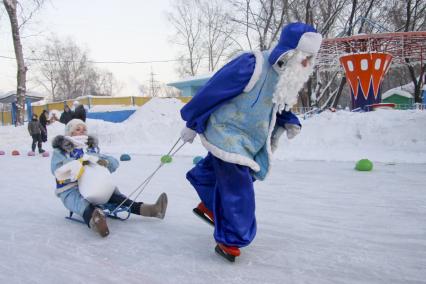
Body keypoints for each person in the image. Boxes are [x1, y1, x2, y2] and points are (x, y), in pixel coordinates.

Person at [179, 22, 322, 261]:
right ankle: (231, 238)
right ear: (289, 53)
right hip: (227, 133)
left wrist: (289, 119)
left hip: (250, 138)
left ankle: (210, 203)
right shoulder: (252, 65)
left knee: (215, 175)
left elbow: (277, 103)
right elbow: (213, 91)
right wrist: (192, 122)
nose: (307, 63)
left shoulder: (285, 76)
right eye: (304, 56)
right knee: (239, 186)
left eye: (310, 58)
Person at [51, 119, 168, 237]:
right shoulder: (61, 151)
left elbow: (113, 163)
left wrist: (104, 162)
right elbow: (57, 170)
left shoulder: (89, 148)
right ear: (70, 133)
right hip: (71, 189)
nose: (82, 132)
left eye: (84, 129)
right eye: (77, 129)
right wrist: (79, 163)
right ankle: (95, 220)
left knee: (116, 197)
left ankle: (151, 210)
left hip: (92, 185)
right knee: (82, 204)